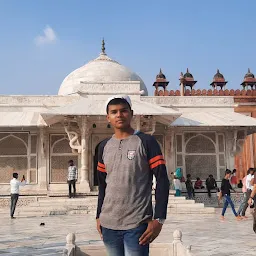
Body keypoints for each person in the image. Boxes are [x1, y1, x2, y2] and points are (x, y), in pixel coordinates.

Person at [96, 96, 170, 256]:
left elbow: (162, 180)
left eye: (123, 111)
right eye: (114, 112)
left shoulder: (146, 142)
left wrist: (159, 218)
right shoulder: (103, 146)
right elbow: (103, 185)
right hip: (108, 224)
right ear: (107, 117)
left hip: (137, 224)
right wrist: (98, 216)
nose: (119, 115)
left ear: (131, 114)